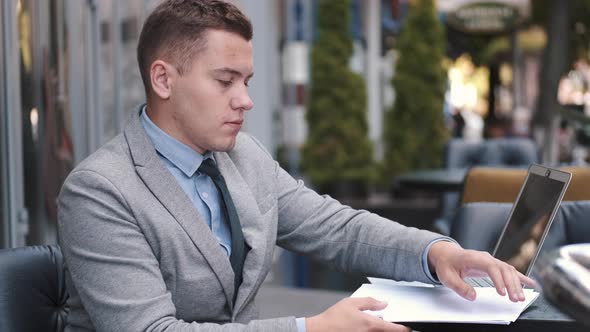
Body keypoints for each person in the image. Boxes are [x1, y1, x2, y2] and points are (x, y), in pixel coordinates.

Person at [57, 1, 535, 331]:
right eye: (225, 81)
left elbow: (338, 228)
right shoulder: (100, 191)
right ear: (163, 78)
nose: (244, 100)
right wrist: (310, 328)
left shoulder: (242, 155)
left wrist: (436, 254)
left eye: (245, 81)